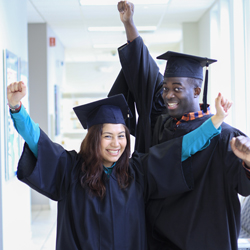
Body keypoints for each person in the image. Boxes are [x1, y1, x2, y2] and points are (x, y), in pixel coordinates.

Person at [8, 81, 230, 250]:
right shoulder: (70, 169)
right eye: (107, 136)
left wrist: (216, 121)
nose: (116, 144)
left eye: (121, 135)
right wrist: (17, 108)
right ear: (95, 138)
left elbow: (181, 149)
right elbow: (38, 141)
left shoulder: (137, 172)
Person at [108, 1, 250, 249]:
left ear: (197, 90)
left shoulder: (224, 137)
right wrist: (129, 24)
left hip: (203, 241)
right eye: (166, 88)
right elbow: (144, 72)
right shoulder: (161, 121)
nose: (169, 94)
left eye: (177, 88)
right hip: (156, 239)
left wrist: (248, 162)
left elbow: (244, 185)